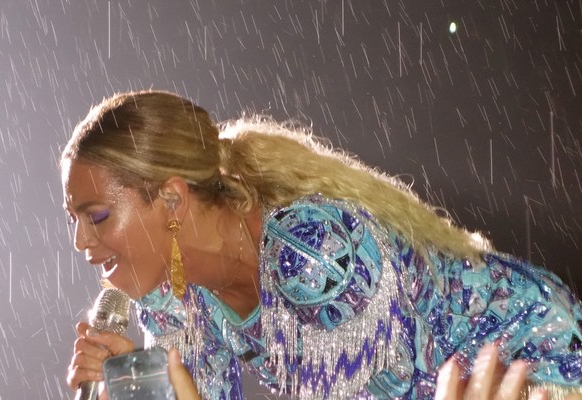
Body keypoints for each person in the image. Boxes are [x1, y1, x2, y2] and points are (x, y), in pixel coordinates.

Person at [63, 90, 582, 399]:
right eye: (75, 221)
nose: (82, 241)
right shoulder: (172, 296)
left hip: (528, 368)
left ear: (172, 200)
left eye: (98, 216)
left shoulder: (315, 256)